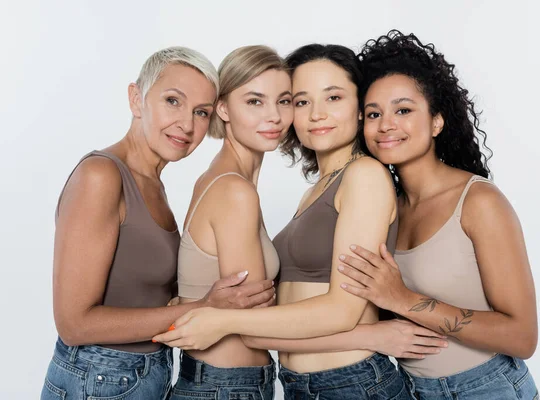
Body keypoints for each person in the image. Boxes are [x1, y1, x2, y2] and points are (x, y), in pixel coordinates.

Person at [154, 44, 444, 400]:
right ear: (224, 109)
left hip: (352, 383)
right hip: (303, 385)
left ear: (359, 109)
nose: (317, 115)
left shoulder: (364, 175)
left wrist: (219, 319)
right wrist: (196, 308)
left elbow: (341, 309)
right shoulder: (316, 188)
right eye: (303, 101)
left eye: (334, 97)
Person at [41, 46, 276, 400]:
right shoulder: (101, 175)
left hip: (145, 376)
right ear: (136, 99)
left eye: (201, 112)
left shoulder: (153, 183)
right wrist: (202, 309)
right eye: (172, 101)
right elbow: (74, 324)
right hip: (98, 378)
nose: (187, 124)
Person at [336, 30, 539, 400]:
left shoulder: (479, 202)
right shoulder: (383, 206)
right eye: (373, 114)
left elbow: (522, 337)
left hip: (487, 387)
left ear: (436, 122)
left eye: (403, 110)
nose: (386, 124)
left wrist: (401, 299)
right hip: (411, 389)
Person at [170, 45, 292, 400]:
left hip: (221, 382)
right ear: (222, 107)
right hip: (227, 386)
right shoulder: (234, 191)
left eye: (283, 101)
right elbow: (255, 323)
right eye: (255, 101)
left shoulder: (224, 179)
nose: (274, 116)